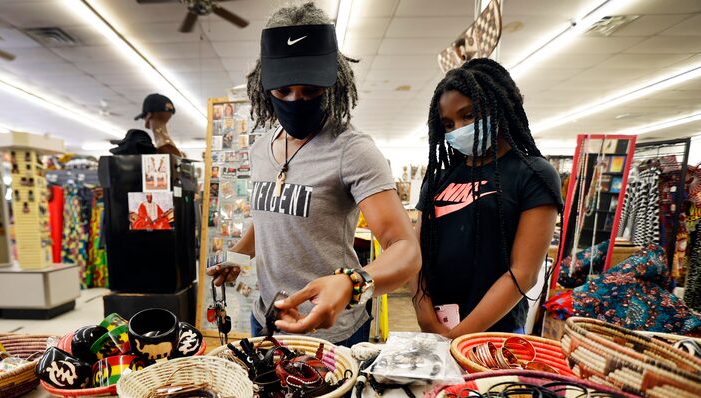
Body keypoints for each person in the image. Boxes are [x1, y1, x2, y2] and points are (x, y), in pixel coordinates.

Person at [208, 2, 419, 347]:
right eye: (283, 91)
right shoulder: (261, 149)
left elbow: (406, 249)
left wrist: (353, 283)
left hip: (332, 331)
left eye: (311, 91)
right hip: (266, 319)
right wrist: (238, 254)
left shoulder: (352, 150)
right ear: (266, 87)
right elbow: (270, 219)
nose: (296, 100)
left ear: (333, 84)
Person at [412, 58, 562, 337]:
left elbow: (523, 273)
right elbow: (415, 254)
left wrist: (459, 335)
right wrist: (426, 319)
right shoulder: (438, 179)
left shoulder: (533, 174)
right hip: (436, 328)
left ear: (499, 107)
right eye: (448, 124)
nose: (457, 129)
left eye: (468, 115)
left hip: (496, 334)